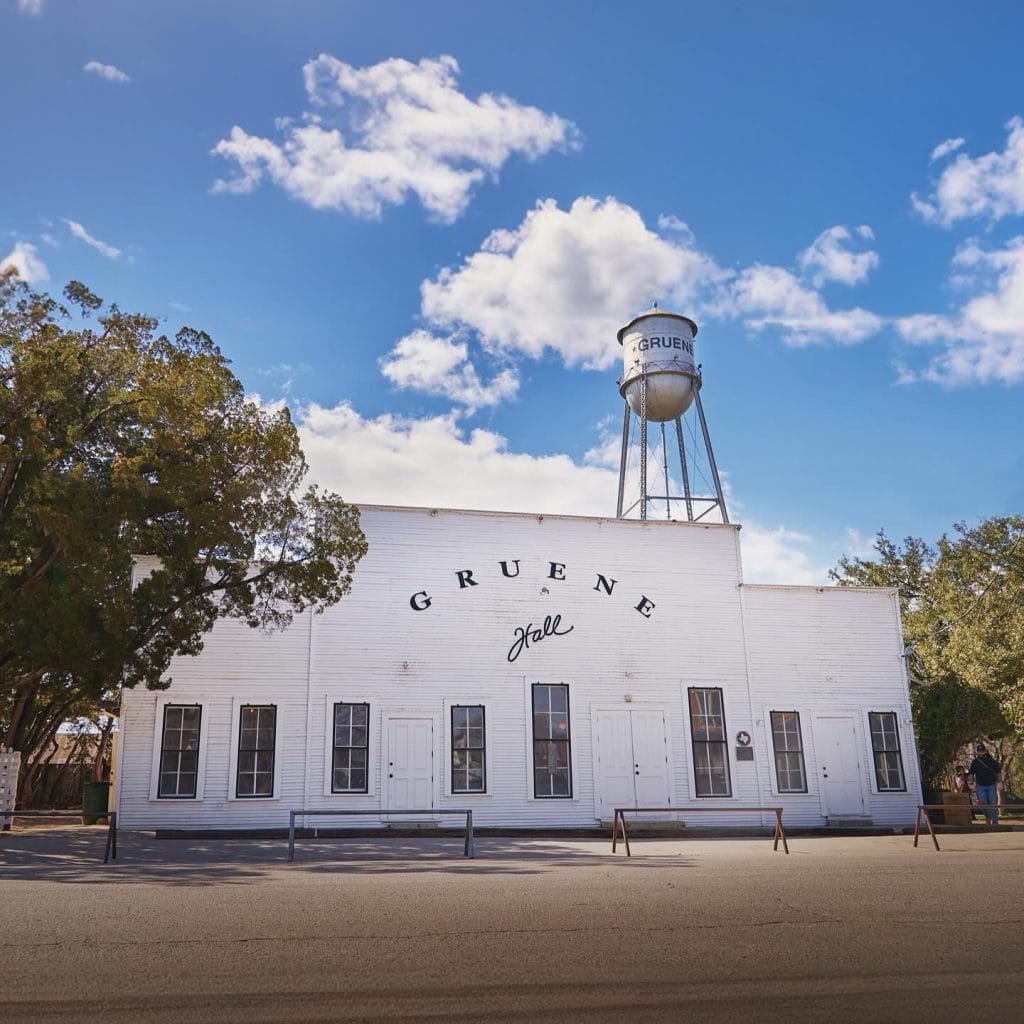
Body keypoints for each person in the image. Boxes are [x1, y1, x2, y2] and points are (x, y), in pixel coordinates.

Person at [968, 744, 1001, 826]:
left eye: (982, 751)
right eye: (979, 751)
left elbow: (998, 773)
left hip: (991, 785)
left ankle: (994, 822)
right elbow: (971, 774)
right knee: (983, 804)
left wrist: (1000, 782)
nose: (981, 753)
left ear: (985, 751)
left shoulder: (992, 761)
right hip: (980, 786)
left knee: (993, 803)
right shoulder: (975, 762)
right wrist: (971, 784)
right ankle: (988, 817)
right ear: (977, 752)